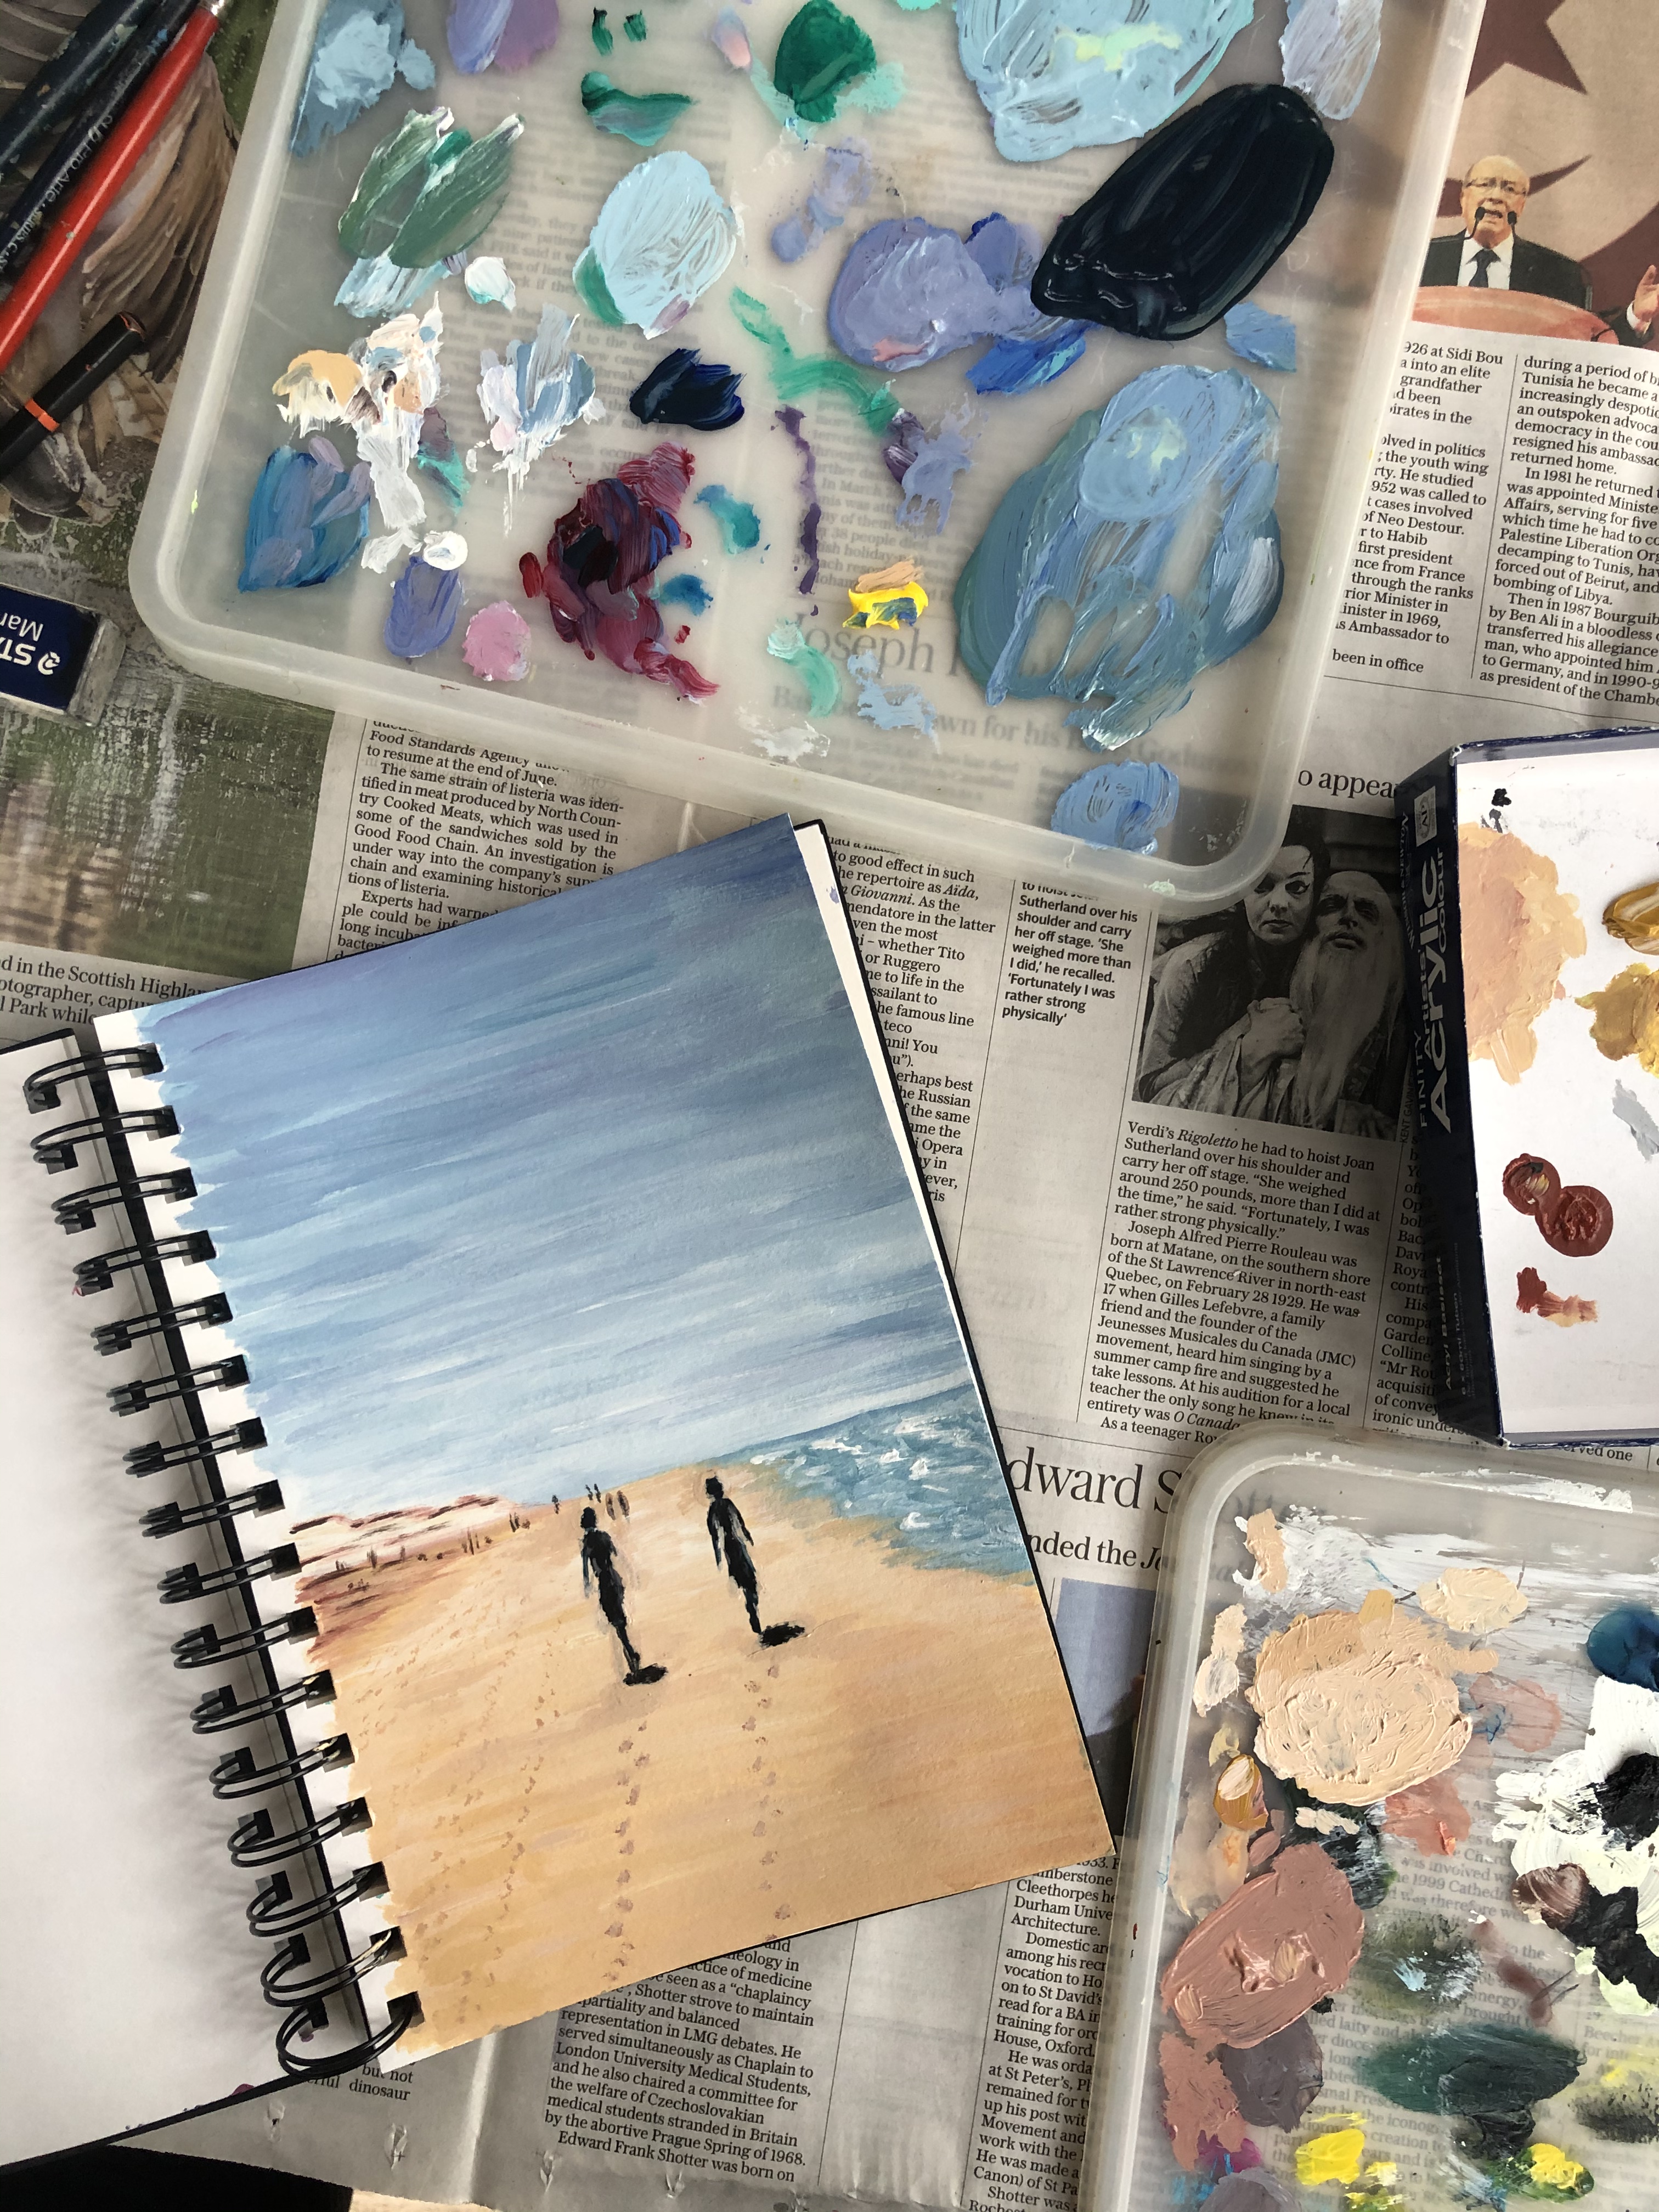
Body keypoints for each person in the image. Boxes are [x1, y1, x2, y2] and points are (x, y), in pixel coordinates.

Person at [1136, 818, 1330, 1110]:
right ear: (1241, 893)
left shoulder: (1327, 967)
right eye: (1262, 886)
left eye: (1297, 888)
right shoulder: (1191, 966)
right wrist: (1240, 1040)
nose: (1279, 903)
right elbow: (1150, 1088)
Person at [1420, 156, 1656, 346]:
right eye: (1485, 185)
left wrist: (1637, 317)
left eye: (1509, 189)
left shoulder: (1559, 274)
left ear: (1521, 205)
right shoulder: (1423, 259)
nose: (1496, 196)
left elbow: (1588, 350)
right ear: (1463, 198)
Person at [1251, 872, 1409, 1137]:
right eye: (1332, 906)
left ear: (1383, 934)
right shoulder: (1272, 1012)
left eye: (1366, 912)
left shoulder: (1400, 1033)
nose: (1349, 918)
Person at [580, 1506, 661, 1685]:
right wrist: (632, 1574)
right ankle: (632, 1656)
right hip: (615, 1579)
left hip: (604, 1582)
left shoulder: (587, 1543)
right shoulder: (604, 1537)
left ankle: (632, 1656)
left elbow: (586, 1571)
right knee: (620, 1621)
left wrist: (588, 1588)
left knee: (617, 1624)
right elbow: (619, 1555)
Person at [705, 1476, 763, 1634]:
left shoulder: (713, 1510)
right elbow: (740, 1523)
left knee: (743, 1579)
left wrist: (718, 1557)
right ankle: (753, 1610)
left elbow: (714, 1537)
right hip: (737, 1544)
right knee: (750, 1579)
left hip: (729, 1548)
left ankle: (752, 1611)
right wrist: (748, 1537)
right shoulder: (727, 1504)